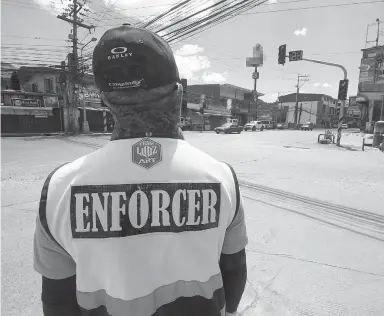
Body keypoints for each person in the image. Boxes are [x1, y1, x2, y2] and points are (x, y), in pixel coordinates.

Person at [33, 24, 248, 316]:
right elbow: (234, 271)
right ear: (179, 94)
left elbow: (57, 300)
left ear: (105, 100)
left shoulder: (58, 188)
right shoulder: (223, 178)